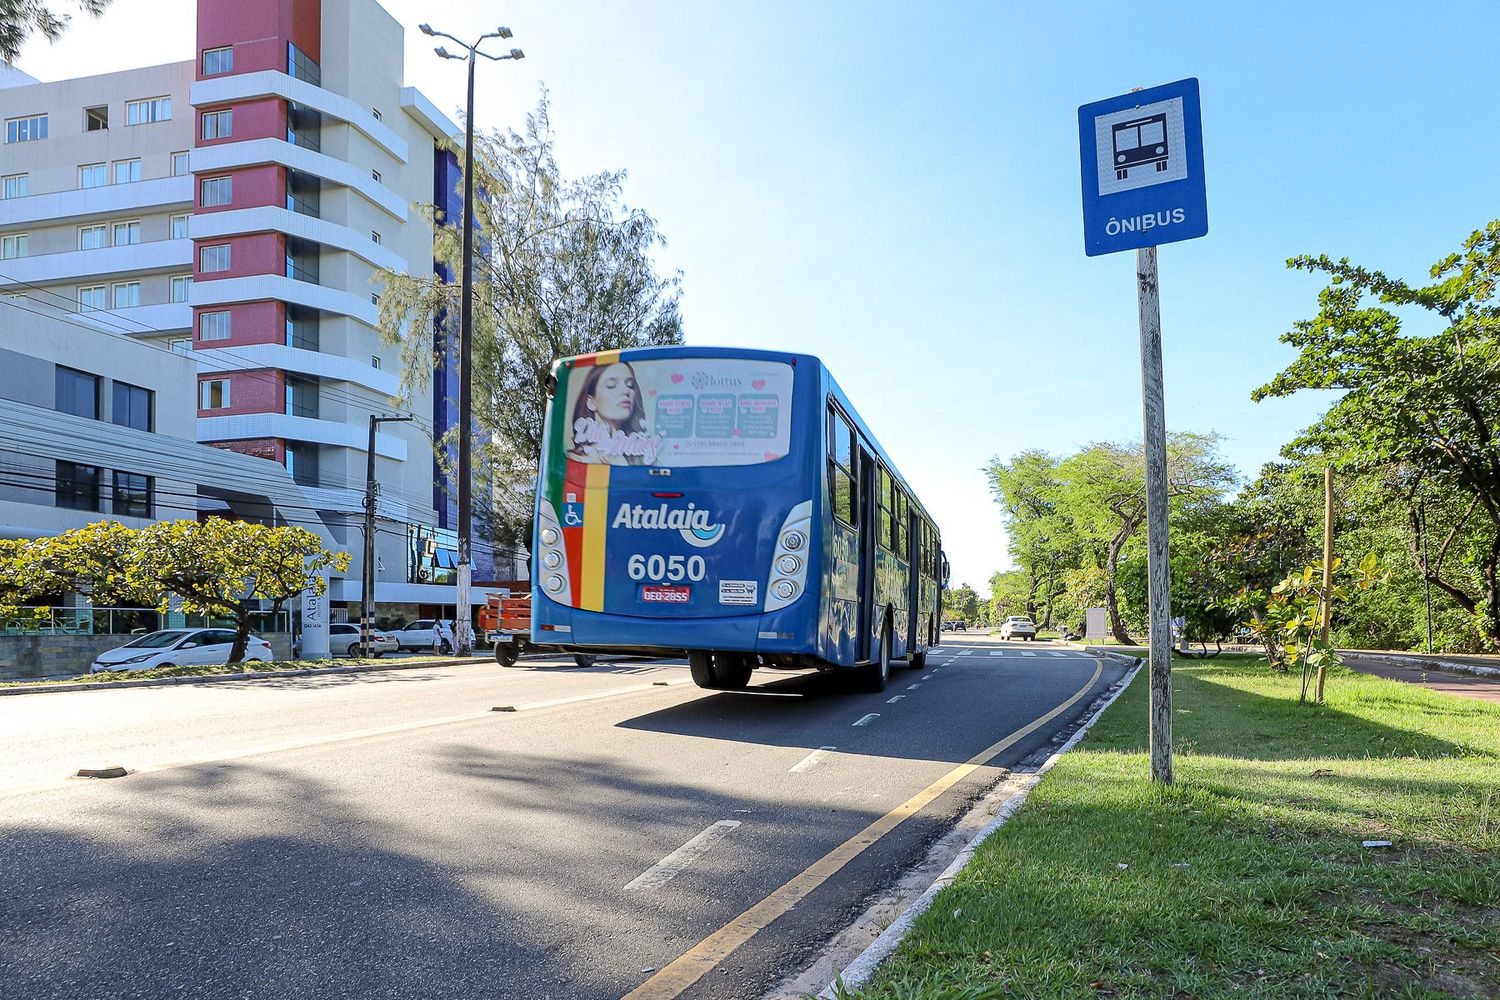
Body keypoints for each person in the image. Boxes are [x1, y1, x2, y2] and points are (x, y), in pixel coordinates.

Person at [569, 362, 649, 465]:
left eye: (630, 385)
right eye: (611, 385)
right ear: (591, 402)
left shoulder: (647, 456)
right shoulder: (575, 460)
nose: (626, 390)